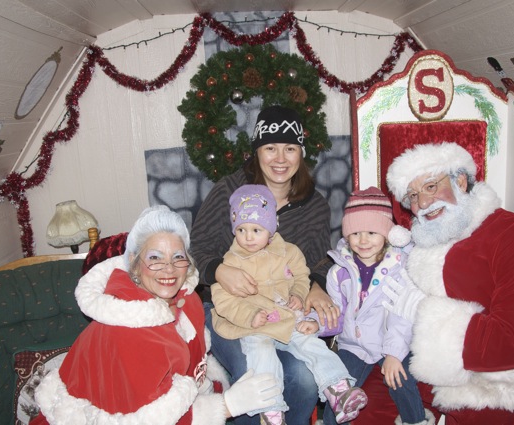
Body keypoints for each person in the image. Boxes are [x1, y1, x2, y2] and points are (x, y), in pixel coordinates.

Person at [32, 206, 281, 425]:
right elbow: (147, 419)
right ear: (133, 262)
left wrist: (216, 386)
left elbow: (191, 367)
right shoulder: (127, 332)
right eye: (154, 258)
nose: (169, 269)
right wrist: (227, 405)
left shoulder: (187, 301)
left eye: (178, 257)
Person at [378, 142, 514, 425]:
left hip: (494, 382)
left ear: (461, 181)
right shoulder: (425, 238)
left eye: (430, 187)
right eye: (413, 196)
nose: (423, 204)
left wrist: (423, 313)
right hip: (415, 368)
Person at [190, 105, 336, 425]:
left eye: (290, 148)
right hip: (233, 312)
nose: (280, 158)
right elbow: (197, 247)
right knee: (254, 379)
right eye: (270, 148)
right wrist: (219, 270)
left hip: (282, 312)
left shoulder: (314, 205)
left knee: (303, 379)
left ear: (301, 152)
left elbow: (319, 261)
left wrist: (317, 285)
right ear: (257, 151)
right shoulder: (231, 190)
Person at [211, 184, 368, 425]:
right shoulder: (232, 261)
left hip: (286, 316)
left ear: (272, 227)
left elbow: (301, 276)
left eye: (256, 229)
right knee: (261, 355)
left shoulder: (289, 252)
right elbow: (223, 300)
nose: (248, 237)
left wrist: (297, 293)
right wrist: (250, 315)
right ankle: (271, 411)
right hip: (254, 325)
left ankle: (338, 389)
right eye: (241, 230)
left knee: (310, 343)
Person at [321, 186, 433, 425]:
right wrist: (314, 323)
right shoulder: (339, 271)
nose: (363, 241)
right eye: (355, 233)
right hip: (353, 345)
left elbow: (402, 316)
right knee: (338, 389)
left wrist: (393, 354)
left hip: (391, 340)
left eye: (372, 232)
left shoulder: (400, 268)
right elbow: (335, 312)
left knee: (400, 380)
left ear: (387, 234)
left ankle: (415, 420)